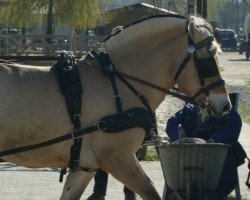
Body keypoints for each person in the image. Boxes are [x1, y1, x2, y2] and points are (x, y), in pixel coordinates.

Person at [165, 93, 247, 200]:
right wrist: (181, 140)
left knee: (225, 168)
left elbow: (233, 127)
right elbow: (171, 124)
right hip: (190, 150)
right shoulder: (190, 108)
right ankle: (176, 194)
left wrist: (214, 140)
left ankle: (216, 196)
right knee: (174, 172)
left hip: (216, 148)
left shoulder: (226, 109)